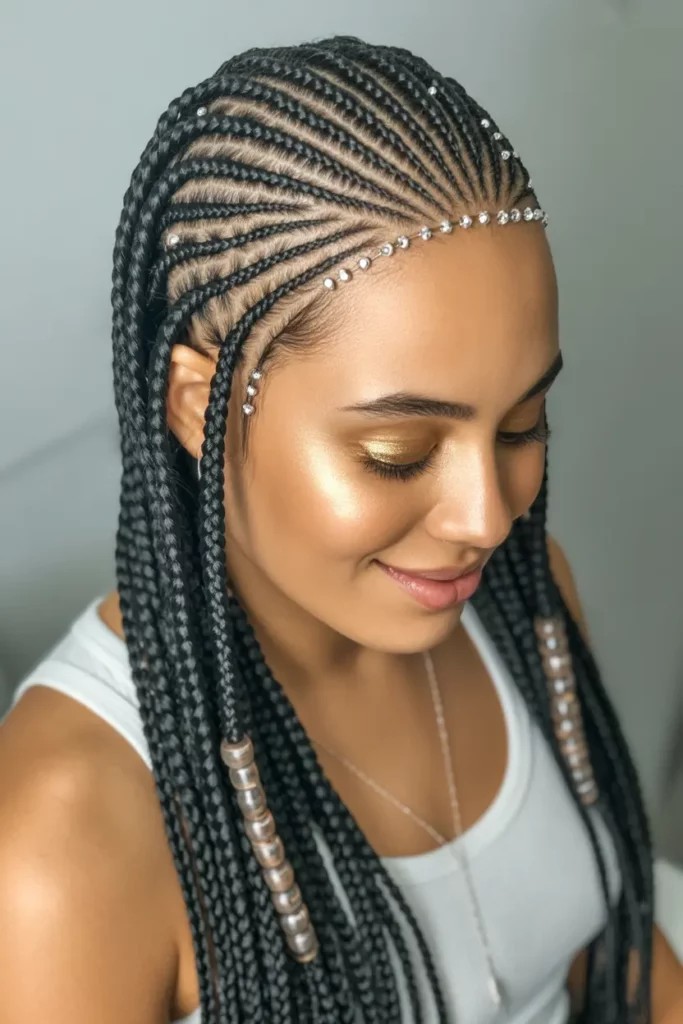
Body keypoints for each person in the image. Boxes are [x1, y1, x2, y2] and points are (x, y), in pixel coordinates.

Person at [0, 33, 681, 1024]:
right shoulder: (59, 838)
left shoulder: (529, 608)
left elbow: (611, 953)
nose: (487, 517)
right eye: (399, 452)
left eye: (523, 425)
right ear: (199, 406)